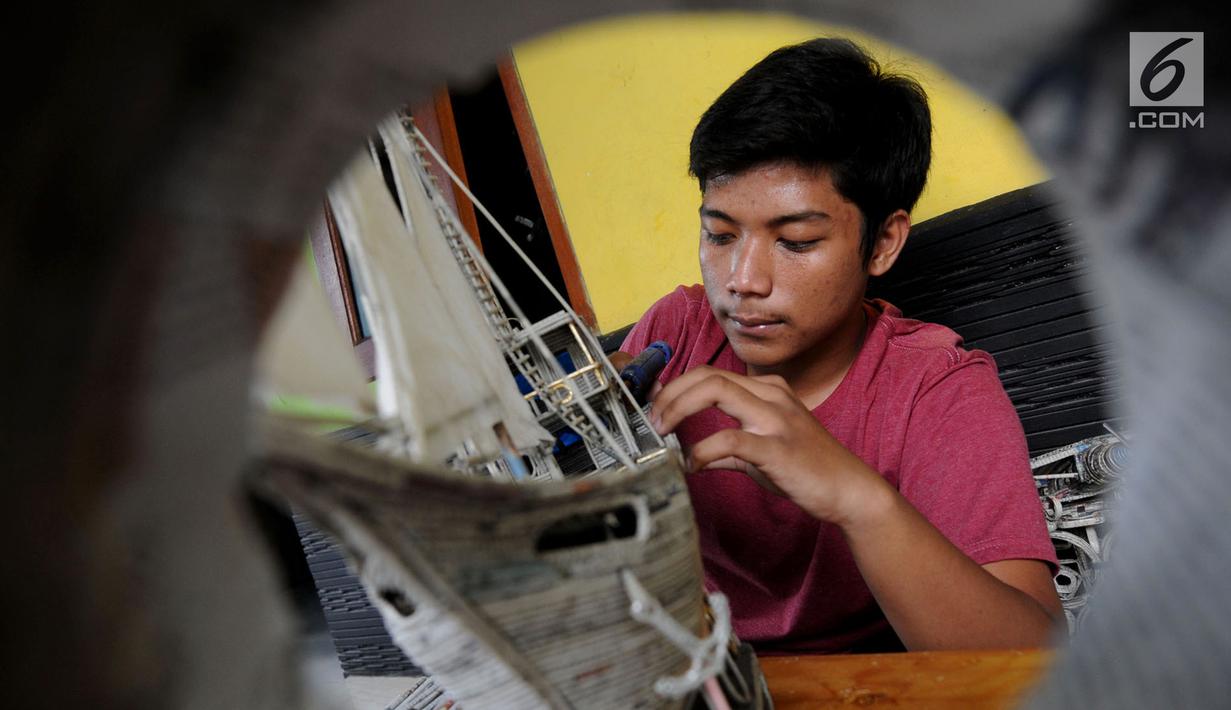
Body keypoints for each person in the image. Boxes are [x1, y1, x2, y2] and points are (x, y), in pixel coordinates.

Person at [615, 38, 1062, 654]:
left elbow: (1033, 662)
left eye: (796, 241)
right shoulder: (679, 329)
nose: (743, 280)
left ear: (882, 243)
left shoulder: (936, 390)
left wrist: (856, 499)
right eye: (719, 235)